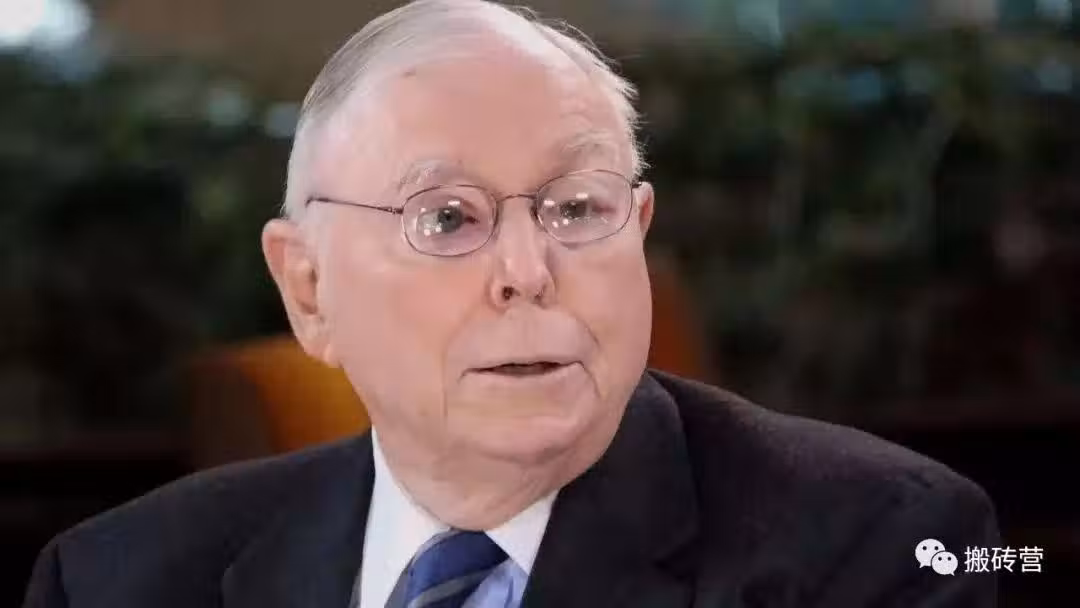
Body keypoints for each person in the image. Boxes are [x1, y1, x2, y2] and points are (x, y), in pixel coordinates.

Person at [23, 1, 1000, 606]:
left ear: (638, 229)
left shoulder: (885, 545)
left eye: (577, 208)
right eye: (447, 218)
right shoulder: (115, 579)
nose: (529, 269)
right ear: (308, 287)